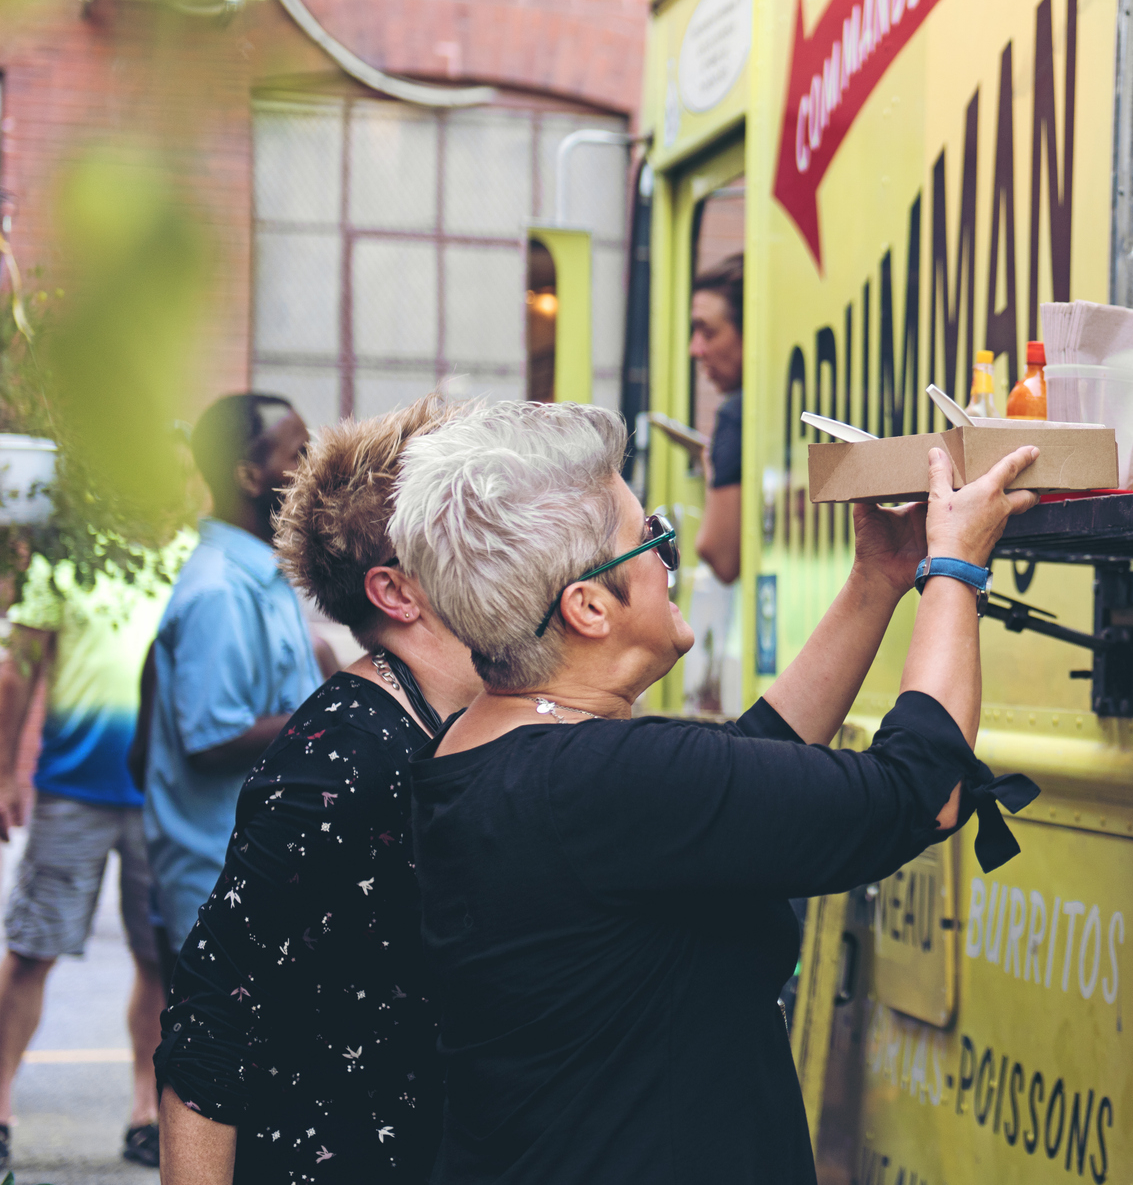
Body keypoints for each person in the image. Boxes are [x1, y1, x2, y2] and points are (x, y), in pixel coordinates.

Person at [393, 402, 1038, 1184]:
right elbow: (919, 791)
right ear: (588, 607)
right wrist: (955, 569)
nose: (671, 560)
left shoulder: (484, 749)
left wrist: (881, 578)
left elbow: (742, 766)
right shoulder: (599, 777)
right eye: (650, 541)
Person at [154, 395, 481, 1184]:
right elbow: (204, 737)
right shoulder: (227, 600)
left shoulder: (264, 588)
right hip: (219, 869)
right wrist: (328, 707)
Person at [0, 535, 191, 1171]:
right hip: (70, 790)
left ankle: (146, 1112)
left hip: (160, 793)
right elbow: (18, 664)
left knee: (158, 959)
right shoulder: (67, 553)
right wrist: (5, 775)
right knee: (32, 949)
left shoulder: (193, 554)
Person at [143, 395, 323, 962]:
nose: (316, 468)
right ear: (249, 475)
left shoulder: (262, 576)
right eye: (301, 453)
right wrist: (335, 714)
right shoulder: (219, 590)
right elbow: (213, 740)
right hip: (219, 887)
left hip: (262, 876)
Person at [690, 259, 744, 585]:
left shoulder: (735, 415)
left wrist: (712, 467)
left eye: (707, 331)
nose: (695, 349)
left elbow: (720, 556)